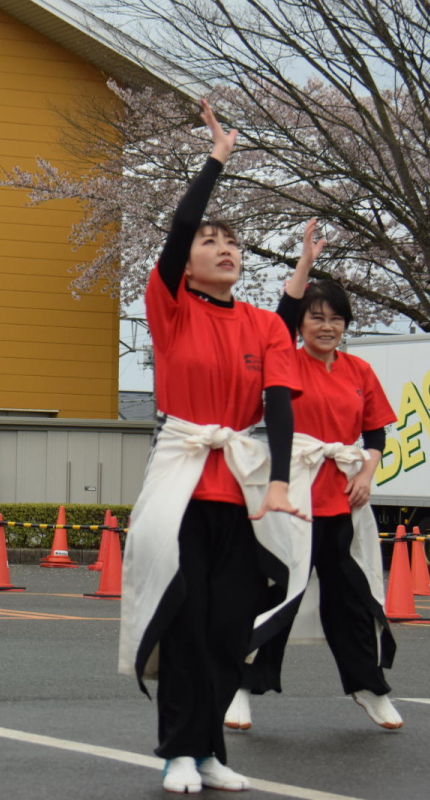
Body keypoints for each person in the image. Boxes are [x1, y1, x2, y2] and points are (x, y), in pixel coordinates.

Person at [117, 100, 312, 794]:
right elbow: (176, 230)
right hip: (181, 483)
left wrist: (283, 484)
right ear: (187, 264)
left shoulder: (263, 324)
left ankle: (209, 753)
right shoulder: (170, 307)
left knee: (232, 626)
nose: (224, 249)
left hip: (241, 486)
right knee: (186, 623)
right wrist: (216, 159)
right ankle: (178, 749)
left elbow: (280, 403)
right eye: (210, 242)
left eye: (231, 242)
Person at [224, 221, 401, 732]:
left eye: (336, 319)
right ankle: (241, 688)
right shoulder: (283, 360)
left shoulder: (359, 372)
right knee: (278, 591)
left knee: (351, 599)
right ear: (300, 325)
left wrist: (367, 472)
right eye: (316, 318)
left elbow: (376, 436)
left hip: (341, 500)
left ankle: (369, 688)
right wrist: (304, 262)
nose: (326, 326)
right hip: (292, 498)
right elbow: (277, 320)